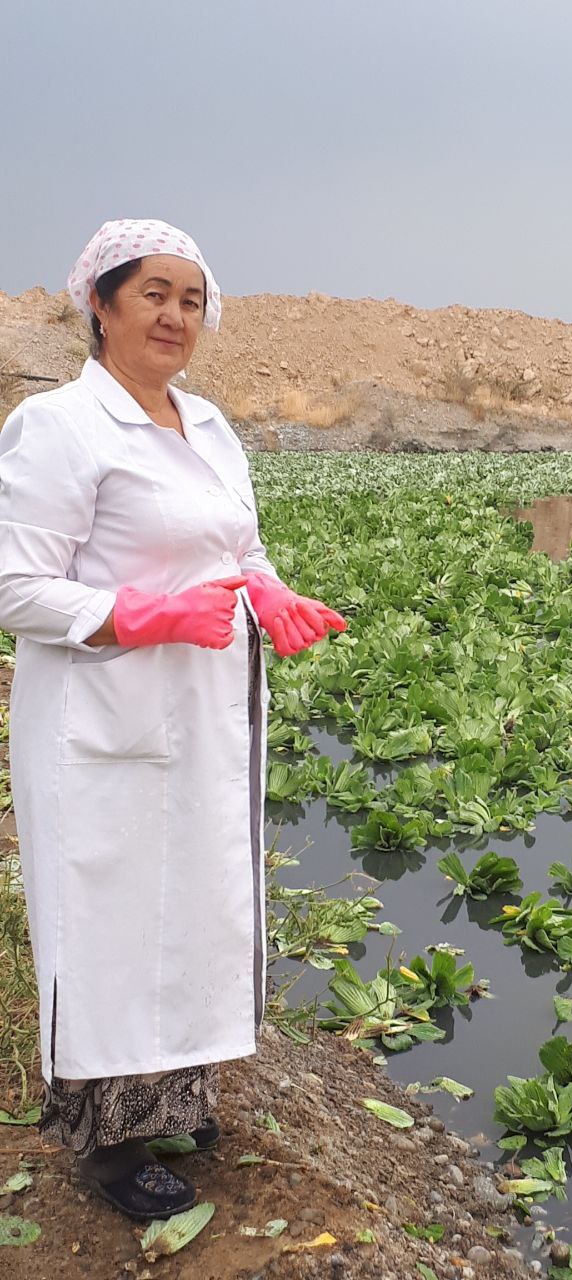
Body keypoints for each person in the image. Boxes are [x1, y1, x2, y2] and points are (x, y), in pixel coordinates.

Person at [0, 218, 347, 1220]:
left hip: (203, 716)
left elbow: (238, 545)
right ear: (100, 303)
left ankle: (176, 1098)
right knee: (111, 922)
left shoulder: (208, 424)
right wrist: (130, 613)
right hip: (104, 720)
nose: (175, 315)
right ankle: (105, 1146)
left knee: (191, 907)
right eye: (154, 292)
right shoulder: (59, 426)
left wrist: (269, 590)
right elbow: (16, 587)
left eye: (192, 299)